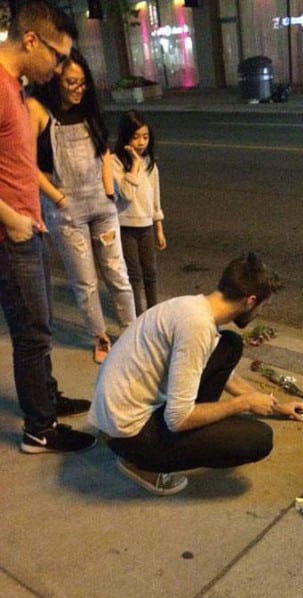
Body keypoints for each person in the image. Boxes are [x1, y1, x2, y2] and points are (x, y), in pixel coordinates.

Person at [89, 253, 303, 496]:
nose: (260, 311)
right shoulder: (197, 327)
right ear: (250, 301)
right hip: (129, 436)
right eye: (263, 305)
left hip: (119, 417)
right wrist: (243, 404)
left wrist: (277, 407)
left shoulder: (195, 306)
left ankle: (187, 431)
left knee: (229, 344)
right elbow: (177, 419)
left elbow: (227, 376)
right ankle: (142, 466)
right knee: (257, 439)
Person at [0, 0, 96, 454]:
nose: (60, 68)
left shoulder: (15, 87)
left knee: (42, 327)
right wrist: (13, 220)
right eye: (57, 56)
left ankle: (46, 399)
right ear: (32, 40)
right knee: (32, 333)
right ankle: (40, 429)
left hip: (28, 227)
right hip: (11, 235)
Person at [27, 47, 135, 364]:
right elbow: (26, 163)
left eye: (83, 83)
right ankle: (100, 337)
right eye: (72, 83)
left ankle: (131, 331)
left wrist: (107, 191)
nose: (78, 89)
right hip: (65, 209)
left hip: (101, 204)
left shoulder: (88, 110)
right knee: (85, 281)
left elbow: (103, 152)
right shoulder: (38, 110)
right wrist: (58, 198)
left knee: (118, 273)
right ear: (55, 80)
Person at [112, 110, 166, 315]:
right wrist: (134, 163)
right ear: (125, 137)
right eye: (135, 137)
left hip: (146, 226)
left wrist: (159, 227)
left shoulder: (150, 163)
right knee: (134, 275)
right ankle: (138, 314)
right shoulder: (116, 162)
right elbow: (125, 193)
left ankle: (153, 312)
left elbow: (155, 197)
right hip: (126, 227)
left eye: (145, 136)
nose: (141, 142)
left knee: (150, 273)